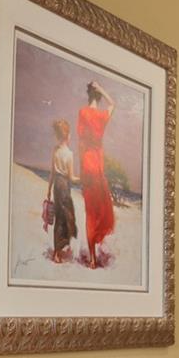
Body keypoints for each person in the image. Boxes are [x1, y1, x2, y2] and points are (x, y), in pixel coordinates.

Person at [75, 82, 116, 267]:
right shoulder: (101, 115)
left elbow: (81, 140)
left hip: (87, 163)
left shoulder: (83, 112)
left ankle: (92, 258)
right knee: (100, 208)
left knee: (90, 210)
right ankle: (95, 250)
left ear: (88, 95)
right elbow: (113, 103)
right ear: (98, 96)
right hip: (98, 164)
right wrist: (102, 88)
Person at [45, 118, 77, 263]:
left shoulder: (55, 150)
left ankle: (61, 248)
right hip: (64, 186)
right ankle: (57, 252)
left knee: (60, 217)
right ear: (67, 136)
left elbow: (52, 172)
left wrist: (48, 189)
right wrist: (84, 179)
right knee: (66, 218)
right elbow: (71, 177)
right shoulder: (69, 154)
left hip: (57, 186)